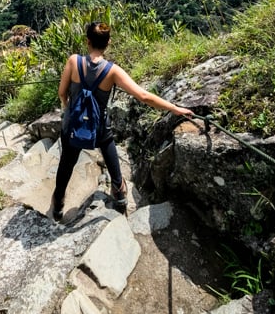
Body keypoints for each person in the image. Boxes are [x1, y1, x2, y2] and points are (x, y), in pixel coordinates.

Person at [52, 21, 194, 222]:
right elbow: (143, 96)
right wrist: (175, 108)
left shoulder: (74, 61)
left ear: (87, 42)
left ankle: (58, 203)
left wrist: (68, 109)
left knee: (67, 161)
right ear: (108, 42)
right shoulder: (112, 71)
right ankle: (119, 192)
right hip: (99, 125)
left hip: (73, 124)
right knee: (107, 143)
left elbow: (61, 92)